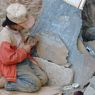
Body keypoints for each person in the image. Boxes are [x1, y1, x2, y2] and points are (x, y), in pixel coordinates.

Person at [0, 3, 48, 92]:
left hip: (23, 59)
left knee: (43, 79)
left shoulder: (16, 30)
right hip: (14, 65)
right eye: (23, 24)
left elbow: (18, 45)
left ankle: (21, 80)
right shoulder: (5, 36)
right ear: (15, 24)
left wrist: (29, 44)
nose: (24, 27)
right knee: (34, 85)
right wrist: (25, 50)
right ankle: (7, 83)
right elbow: (6, 59)